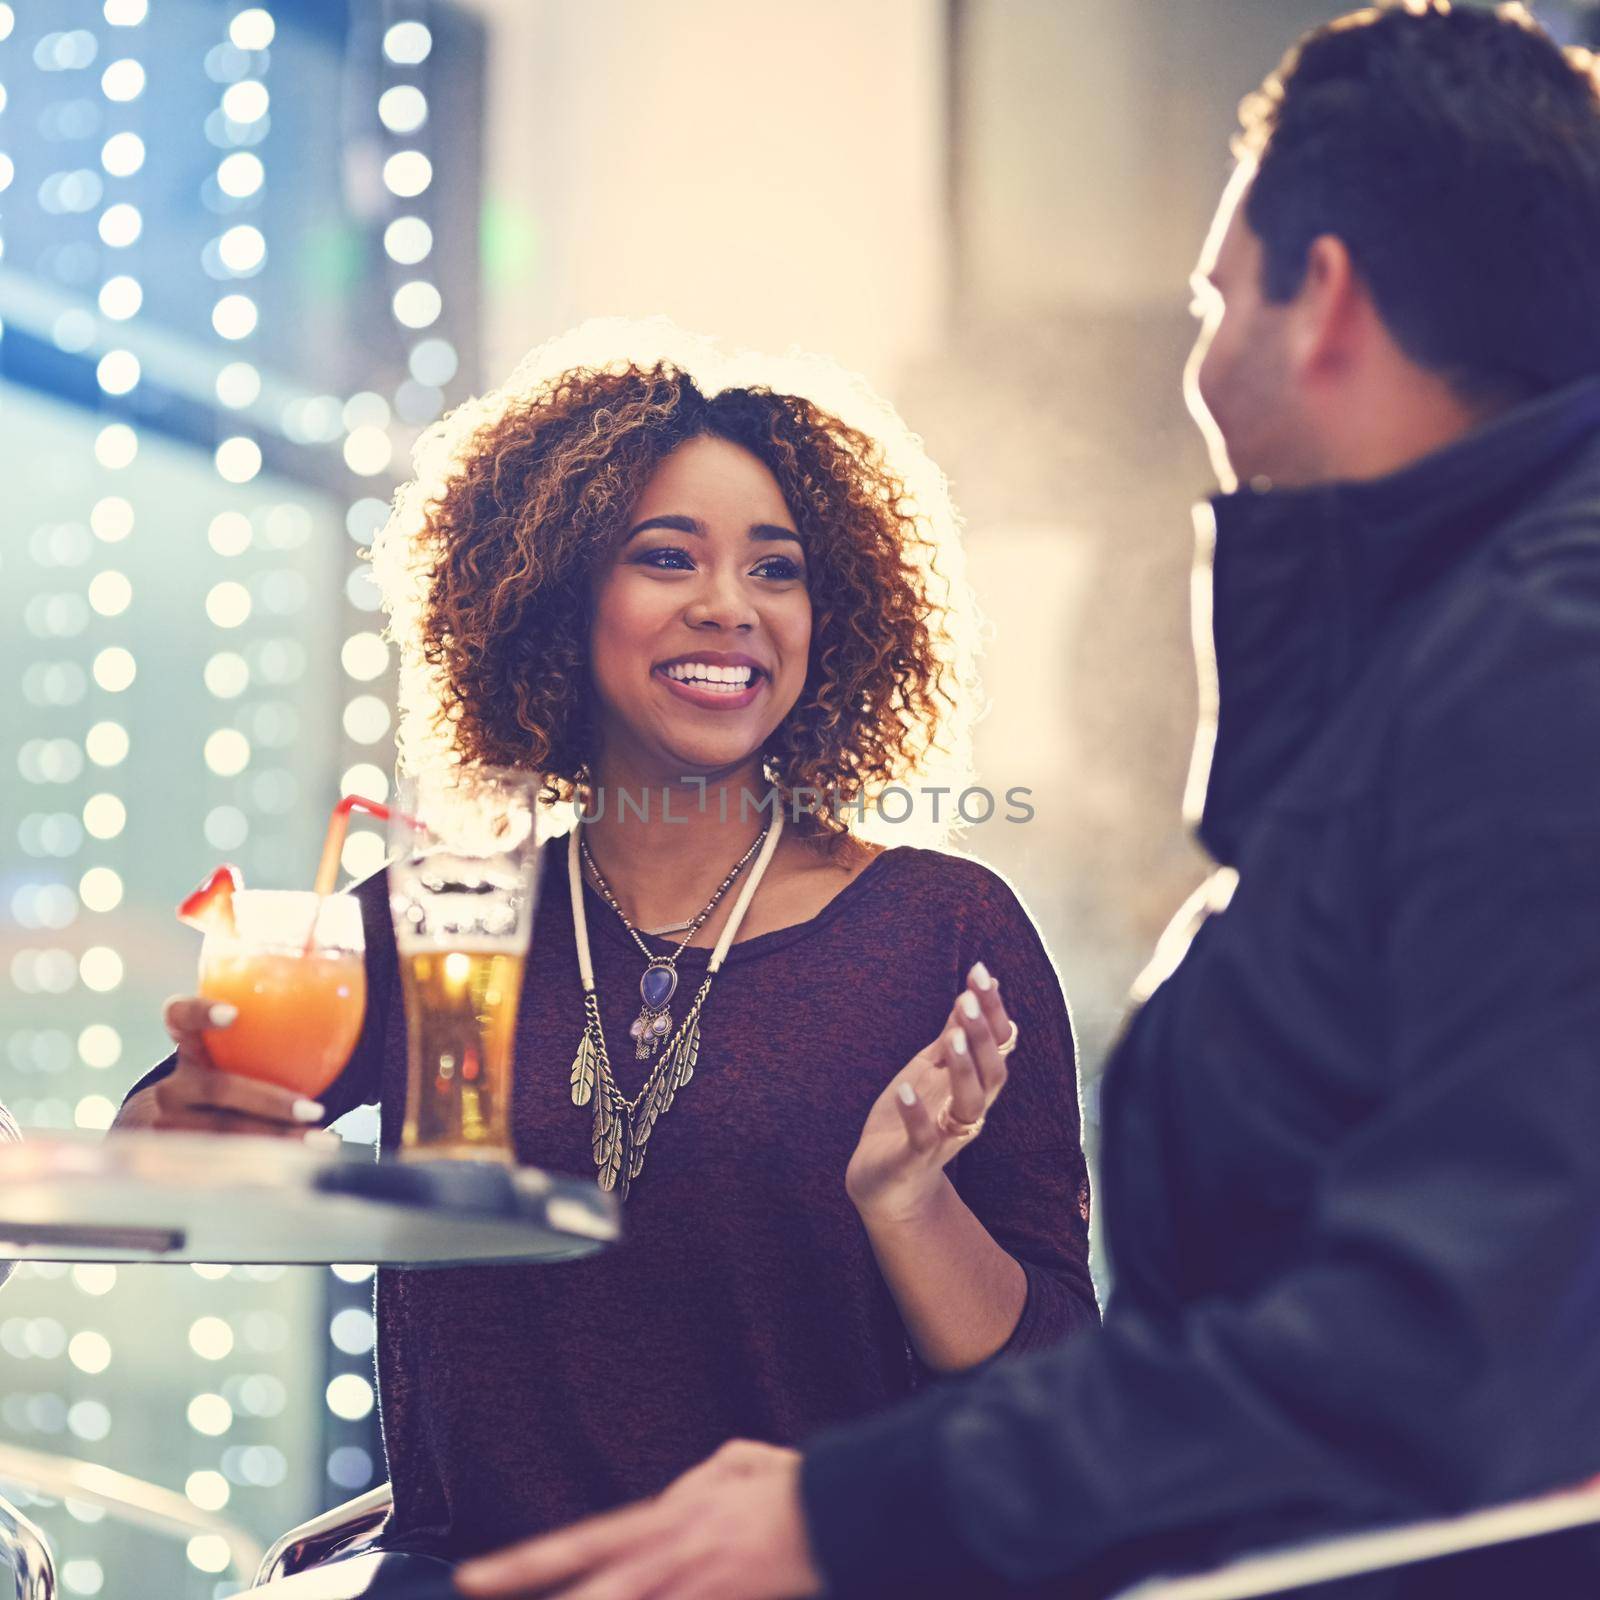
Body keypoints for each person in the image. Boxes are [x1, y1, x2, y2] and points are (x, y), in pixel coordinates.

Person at [447, 6, 1600, 1597]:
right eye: (662, 557)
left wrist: (851, 1509)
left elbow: (1452, 1333)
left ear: (1320, 298)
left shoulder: (1543, 661)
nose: (723, 607)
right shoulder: (1480, 649)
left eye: (1213, 295)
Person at [117, 329, 1098, 1564]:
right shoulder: (445, 914)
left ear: (830, 618)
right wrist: (185, 1125)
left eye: (777, 569)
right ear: (557, 598)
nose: (727, 606)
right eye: (665, 556)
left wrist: (907, 1201)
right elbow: (171, 1148)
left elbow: (1056, 1372)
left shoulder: (943, 930)